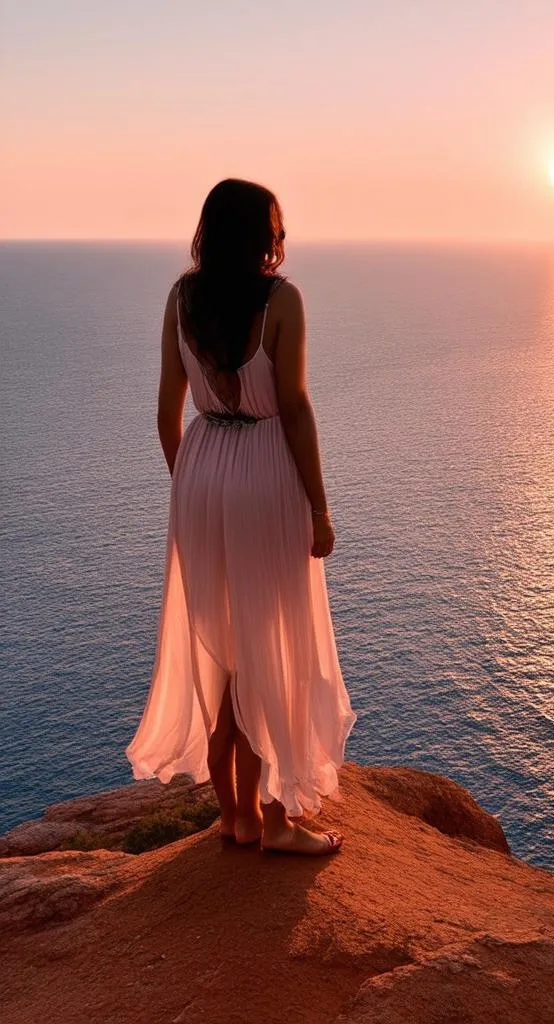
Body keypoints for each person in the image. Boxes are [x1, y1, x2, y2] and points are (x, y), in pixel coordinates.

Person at [126, 178, 357, 855]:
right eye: (276, 228)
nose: (282, 241)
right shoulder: (282, 301)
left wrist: (193, 491)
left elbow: (167, 411)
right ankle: (276, 822)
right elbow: (296, 408)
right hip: (262, 473)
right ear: (260, 237)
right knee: (268, 648)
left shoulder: (182, 297)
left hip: (201, 473)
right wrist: (319, 508)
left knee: (221, 651)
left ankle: (235, 818)